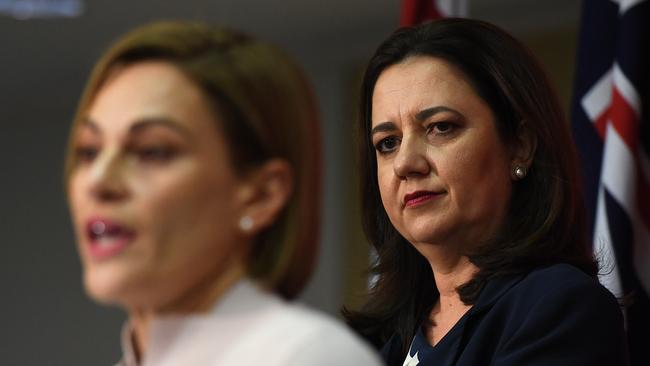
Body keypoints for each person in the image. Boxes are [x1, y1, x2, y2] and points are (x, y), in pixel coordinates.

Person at [64, 21, 381, 366]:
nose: (98, 181)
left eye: (152, 151)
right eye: (89, 151)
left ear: (261, 195)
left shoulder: (309, 356)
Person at [345, 18, 629, 365]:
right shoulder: (371, 343)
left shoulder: (559, 307)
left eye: (440, 127)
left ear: (519, 146)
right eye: (387, 143)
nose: (405, 163)